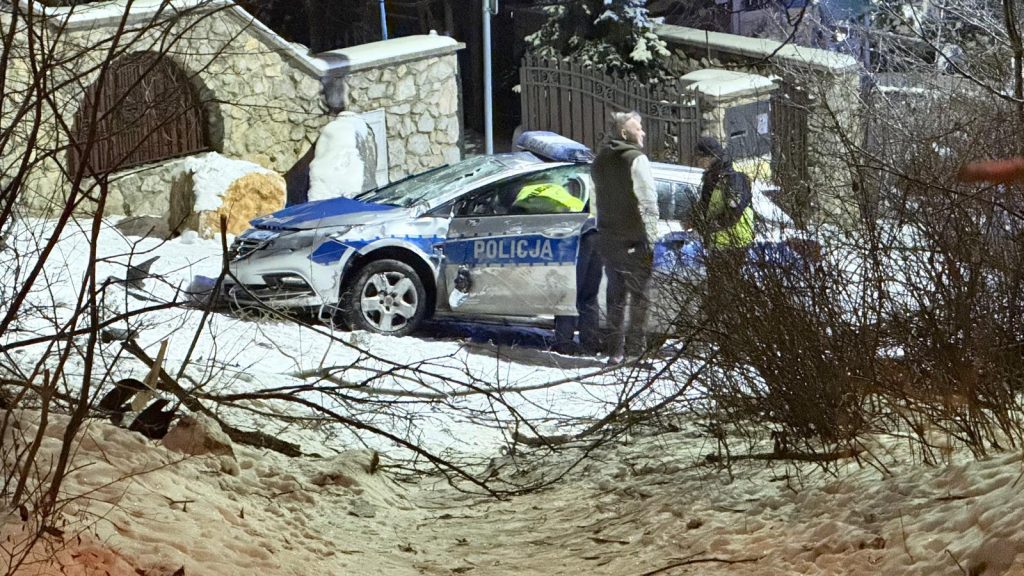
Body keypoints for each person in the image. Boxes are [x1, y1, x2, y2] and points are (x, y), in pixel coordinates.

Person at [590, 111, 660, 364]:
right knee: (640, 297)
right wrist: (651, 237)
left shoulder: (599, 161)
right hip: (634, 238)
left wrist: (602, 231)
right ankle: (635, 352)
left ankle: (614, 352)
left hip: (609, 239)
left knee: (615, 295)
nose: (642, 132)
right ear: (624, 133)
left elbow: (594, 204)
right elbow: (648, 200)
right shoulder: (636, 159)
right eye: (638, 128)